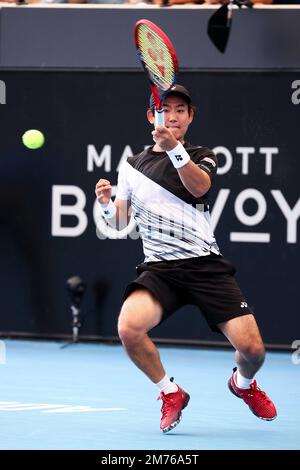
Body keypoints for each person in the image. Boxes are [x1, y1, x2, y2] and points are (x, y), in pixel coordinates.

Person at [95, 84, 277, 433]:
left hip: (205, 266)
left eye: (181, 109)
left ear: (190, 117)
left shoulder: (202, 155)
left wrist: (175, 149)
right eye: (166, 109)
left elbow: (199, 188)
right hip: (160, 270)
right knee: (128, 328)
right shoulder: (132, 166)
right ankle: (170, 391)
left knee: (254, 351)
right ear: (152, 116)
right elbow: (119, 222)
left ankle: (242, 384)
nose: (174, 116)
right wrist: (105, 203)